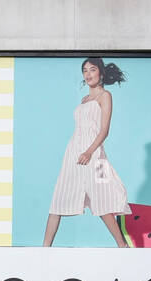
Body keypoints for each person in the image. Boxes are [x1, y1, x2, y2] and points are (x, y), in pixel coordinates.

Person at [44, 57, 131, 247]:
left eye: (92, 69)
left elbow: (104, 130)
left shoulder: (105, 96)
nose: (88, 74)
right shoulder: (84, 100)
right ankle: (44, 249)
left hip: (96, 155)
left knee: (104, 196)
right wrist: (80, 152)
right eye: (85, 70)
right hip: (74, 153)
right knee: (59, 196)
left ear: (101, 73)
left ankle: (122, 245)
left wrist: (90, 151)